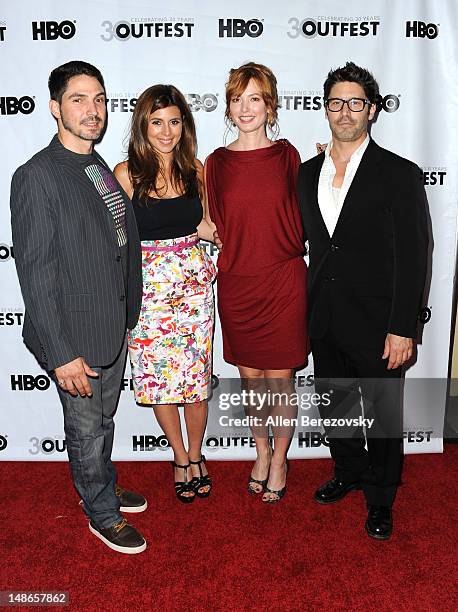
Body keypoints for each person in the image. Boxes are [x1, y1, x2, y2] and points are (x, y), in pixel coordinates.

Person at [10, 61, 147, 553]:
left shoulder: (97, 166)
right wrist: (61, 351)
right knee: (87, 428)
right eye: (78, 100)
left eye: (100, 99)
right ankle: (102, 514)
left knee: (104, 422)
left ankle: (100, 484)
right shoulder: (36, 176)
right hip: (73, 335)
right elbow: (37, 275)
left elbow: (116, 244)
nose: (93, 111)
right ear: (54, 109)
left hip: (111, 324)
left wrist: (129, 315)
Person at [297, 62, 428, 539]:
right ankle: (349, 471)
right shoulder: (306, 172)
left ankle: (381, 496)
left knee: (382, 414)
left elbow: (415, 256)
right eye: (336, 102)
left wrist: (403, 326)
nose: (345, 111)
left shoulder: (398, 173)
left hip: (379, 323)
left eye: (355, 103)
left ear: (371, 110)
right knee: (335, 404)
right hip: (325, 317)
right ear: (325, 108)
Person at [205, 62, 307, 503]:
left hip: (284, 282)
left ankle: (281, 458)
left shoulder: (289, 156)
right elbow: (210, 222)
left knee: (281, 380)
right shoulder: (215, 162)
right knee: (250, 381)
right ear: (228, 107)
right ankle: (261, 452)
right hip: (237, 284)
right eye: (236, 99)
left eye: (255, 99)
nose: (245, 108)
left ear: (270, 106)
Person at [114, 85, 216, 504]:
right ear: (143, 125)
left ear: (184, 125)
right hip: (148, 291)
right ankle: (179, 457)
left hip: (193, 289)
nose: (166, 131)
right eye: (157, 122)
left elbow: (210, 224)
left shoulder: (196, 169)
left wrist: (213, 233)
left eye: (174, 121)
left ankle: (196, 453)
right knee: (160, 383)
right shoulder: (125, 174)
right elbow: (116, 242)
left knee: (195, 382)